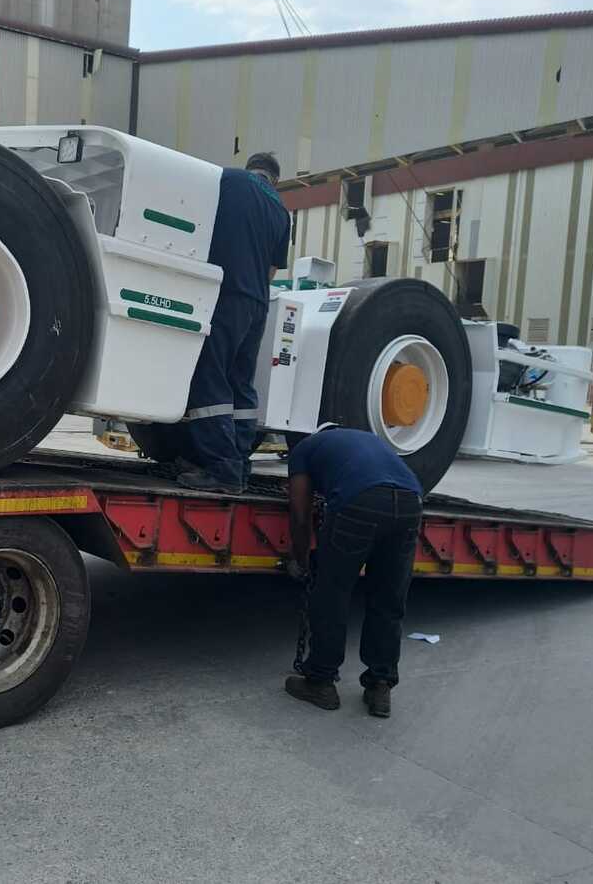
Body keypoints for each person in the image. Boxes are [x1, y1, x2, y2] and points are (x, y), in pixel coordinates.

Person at [284, 423, 424, 718]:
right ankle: (380, 686)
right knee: (387, 600)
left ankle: (320, 681)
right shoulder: (367, 441)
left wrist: (301, 558)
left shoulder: (305, 449)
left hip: (360, 502)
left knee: (332, 594)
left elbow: (300, 514)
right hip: (410, 502)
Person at [177, 152, 291, 495]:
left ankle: (221, 468)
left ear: (250, 168)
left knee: (209, 376)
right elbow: (272, 270)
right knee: (241, 383)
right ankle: (238, 464)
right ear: (275, 179)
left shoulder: (229, 179)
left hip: (226, 294)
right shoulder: (281, 211)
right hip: (257, 303)